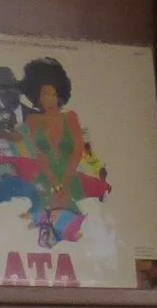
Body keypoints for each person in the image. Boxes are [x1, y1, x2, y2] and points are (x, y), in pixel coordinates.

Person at [12, 56, 99, 247]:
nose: (50, 99)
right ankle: (49, 231)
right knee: (43, 210)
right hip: (47, 177)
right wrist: (53, 181)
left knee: (72, 220)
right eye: (45, 94)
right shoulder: (33, 121)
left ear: (60, 95)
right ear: (37, 97)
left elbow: (77, 150)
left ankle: (61, 230)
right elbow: (38, 154)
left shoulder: (71, 117)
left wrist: (65, 182)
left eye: (54, 94)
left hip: (70, 176)